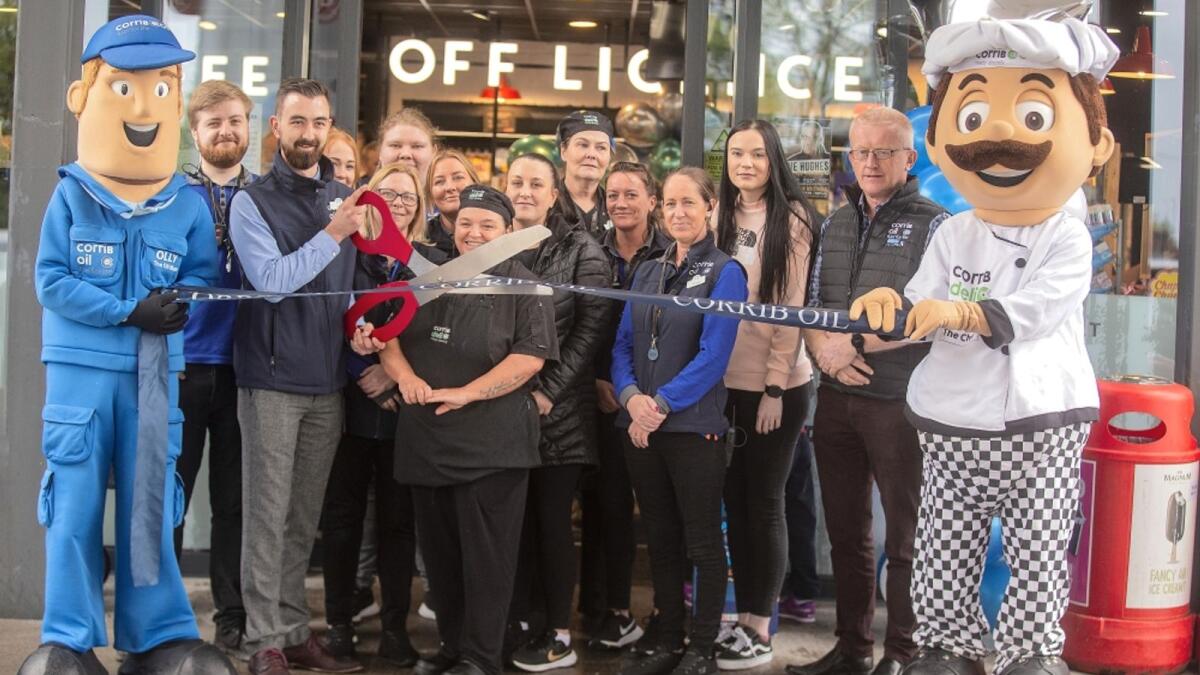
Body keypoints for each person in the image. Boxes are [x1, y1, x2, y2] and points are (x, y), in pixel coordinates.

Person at [852, 18, 1117, 675]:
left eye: (1033, 114)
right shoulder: (954, 232)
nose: (995, 139)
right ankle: (948, 645)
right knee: (943, 544)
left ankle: (1031, 653)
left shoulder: (1065, 233)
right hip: (952, 421)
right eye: (971, 117)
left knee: (1039, 547)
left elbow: (1039, 307)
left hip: (1039, 421)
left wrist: (962, 312)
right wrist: (893, 308)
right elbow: (923, 301)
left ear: (1098, 144)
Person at [24, 15, 234, 675]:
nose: (145, 108)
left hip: (154, 373)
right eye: (124, 88)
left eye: (162, 88)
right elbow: (50, 280)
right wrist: (127, 311)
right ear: (83, 97)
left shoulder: (187, 204)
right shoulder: (71, 196)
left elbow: (201, 278)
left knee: (150, 504)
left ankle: (157, 638)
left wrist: (181, 302)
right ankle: (68, 639)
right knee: (75, 506)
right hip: (81, 376)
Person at [352, 185, 559, 675]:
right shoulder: (426, 274)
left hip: (493, 447)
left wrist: (470, 393)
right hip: (427, 440)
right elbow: (388, 336)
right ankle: (452, 647)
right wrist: (405, 378)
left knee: (487, 561)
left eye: (487, 224)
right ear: (452, 226)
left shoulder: (527, 286)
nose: (474, 232)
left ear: (508, 231)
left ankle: (482, 658)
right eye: (466, 222)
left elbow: (529, 359)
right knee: (441, 559)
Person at [785, 107, 948, 675]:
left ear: (909, 158)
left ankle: (901, 654)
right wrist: (823, 350)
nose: (871, 162)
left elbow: (931, 316)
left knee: (905, 538)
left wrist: (851, 345)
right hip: (835, 400)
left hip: (900, 403)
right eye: (860, 151)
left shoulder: (937, 225)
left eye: (884, 151)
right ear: (849, 157)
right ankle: (852, 649)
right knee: (847, 533)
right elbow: (811, 305)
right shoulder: (835, 222)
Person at [228, 77, 368, 675]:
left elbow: (348, 290)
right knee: (267, 516)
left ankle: (291, 631)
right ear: (276, 128)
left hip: (327, 383)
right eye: (298, 122)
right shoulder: (251, 202)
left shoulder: (345, 197)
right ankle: (262, 640)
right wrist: (334, 233)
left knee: (301, 519)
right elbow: (273, 283)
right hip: (271, 381)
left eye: (319, 122)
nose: (309, 134)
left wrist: (361, 331)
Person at [611, 167, 748, 675]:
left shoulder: (726, 271)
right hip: (640, 426)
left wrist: (660, 405)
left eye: (689, 202)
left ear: (711, 207)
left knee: (703, 542)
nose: (678, 212)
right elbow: (622, 345)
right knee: (661, 538)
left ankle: (701, 647)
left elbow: (714, 355)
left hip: (693, 428)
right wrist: (631, 399)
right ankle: (668, 636)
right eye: (670, 203)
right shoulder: (647, 271)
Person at [320, 163, 436, 669]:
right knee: (342, 520)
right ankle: (338, 626)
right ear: (370, 199)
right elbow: (329, 320)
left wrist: (392, 375)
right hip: (348, 404)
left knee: (398, 524)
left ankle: (394, 630)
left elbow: (433, 335)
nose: (398, 204)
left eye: (408, 196)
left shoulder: (428, 262)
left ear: (420, 205)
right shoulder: (347, 255)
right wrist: (361, 370)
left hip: (402, 410)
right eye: (388, 193)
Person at [713, 119, 817, 670]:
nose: (746, 163)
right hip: (723, 383)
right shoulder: (720, 215)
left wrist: (775, 386)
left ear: (773, 160)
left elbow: (790, 310)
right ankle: (740, 619)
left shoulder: (792, 219)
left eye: (756, 153)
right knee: (734, 502)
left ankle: (760, 623)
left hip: (775, 387)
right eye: (736, 154)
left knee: (765, 503)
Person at [502, 153, 612, 671]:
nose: (524, 191)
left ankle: (558, 632)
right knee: (515, 525)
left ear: (553, 194)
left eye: (535, 184)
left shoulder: (582, 249)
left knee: (551, 523)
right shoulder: (495, 245)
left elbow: (592, 329)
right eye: (516, 182)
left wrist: (548, 390)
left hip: (560, 413)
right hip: (503, 409)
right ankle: (521, 622)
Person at [176, 78, 255, 653]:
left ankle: (232, 614)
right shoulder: (172, 194)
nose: (225, 131)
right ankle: (165, 615)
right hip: (181, 368)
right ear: (195, 132)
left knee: (233, 502)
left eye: (234, 120)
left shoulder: (267, 197)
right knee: (172, 498)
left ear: (249, 126)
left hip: (245, 370)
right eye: (213, 123)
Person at [581, 161, 670, 648]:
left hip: (657, 399)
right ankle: (608, 609)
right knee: (608, 506)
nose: (620, 203)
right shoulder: (592, 250)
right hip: (603, 396)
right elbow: (587, 324)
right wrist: (598, 379)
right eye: (612, 195)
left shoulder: (671, 252)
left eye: (631, 194)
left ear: (652, 201)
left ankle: (664, 614)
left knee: (660, 510)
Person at [557, 110, 614, 238]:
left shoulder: (616, 208)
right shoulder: (546, 206)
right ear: (563, 151)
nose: (591, 154)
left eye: (601, 147)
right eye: (583, 145)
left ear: (609, 156)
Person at [426, 149, 481, 258]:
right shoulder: (421, 240)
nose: (450, 187)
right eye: (439, 181)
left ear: (475, 183)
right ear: (430, 193)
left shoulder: (495, 234)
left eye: (458, 177)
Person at [379, 107, 438, 188]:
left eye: (417, 146)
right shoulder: (362, 196)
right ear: (380, 151)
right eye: (395, 145)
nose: (405, 154)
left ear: (433, 153)